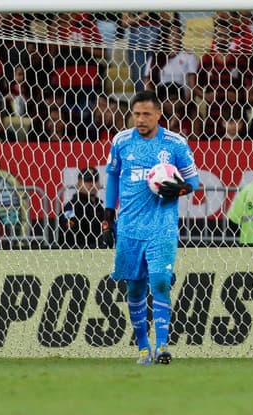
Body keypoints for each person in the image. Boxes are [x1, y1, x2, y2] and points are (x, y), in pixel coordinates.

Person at [102, 90, 199, 365]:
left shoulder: (175, 144)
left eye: (146, 114)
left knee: (158, 282)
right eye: (136, 114)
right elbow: (112, 179)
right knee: (134, 289)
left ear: (158, 114)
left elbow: (194, 180)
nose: (140, 119)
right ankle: (143, 348)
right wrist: (108, 217)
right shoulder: (121, 142)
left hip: (162, 226)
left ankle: (163, 345)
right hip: (129, 228)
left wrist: (179, 190)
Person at [59, 167, 105, 249]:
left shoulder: (99, 207)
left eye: (95, 180)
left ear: (99, 184)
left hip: (98, 253)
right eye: (87, 181)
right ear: (79, 183)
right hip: (77, 254)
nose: (92, 184)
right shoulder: (71, 207)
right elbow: (71, 237)